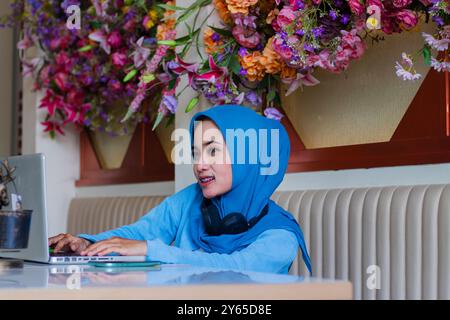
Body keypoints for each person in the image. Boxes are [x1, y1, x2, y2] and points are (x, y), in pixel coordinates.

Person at [49, 105, 311, 274]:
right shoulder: (191, 198)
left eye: (213, 150)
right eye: (196, 153)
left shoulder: (280, 235)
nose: (200, 165)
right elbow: (140, 233)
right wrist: (88, 243)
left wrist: (150, 249)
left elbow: (235, 268)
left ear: (247, 156)